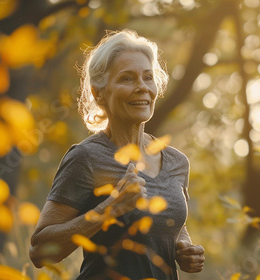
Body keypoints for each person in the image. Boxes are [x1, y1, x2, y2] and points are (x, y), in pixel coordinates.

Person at [29, 29, 204, 280]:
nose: (142, 87)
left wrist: (183, 248)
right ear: (99, 93)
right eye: (127, 78)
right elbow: (39, 252)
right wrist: (110, 209)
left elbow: (173, 224)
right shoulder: (86, 158)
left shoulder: (177, 162)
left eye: (148, 77)